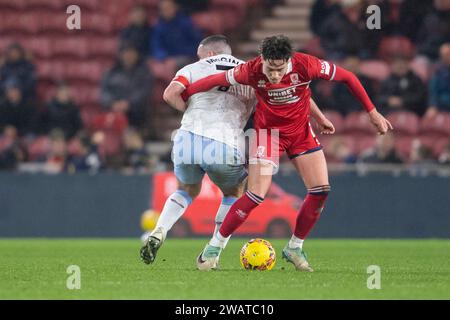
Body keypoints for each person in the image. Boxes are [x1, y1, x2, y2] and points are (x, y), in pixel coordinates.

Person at [181, 35, 392, 271]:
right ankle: (214, 247)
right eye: (269, 68)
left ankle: (294, 247)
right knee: (256, 195)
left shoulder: (307, 65)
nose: (273, 74)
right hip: (267, 134)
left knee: (321, 190)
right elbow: (213, 80)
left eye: (279, 69)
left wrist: (372, 113)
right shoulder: (250, 70)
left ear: (289, 61)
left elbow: (348, 77)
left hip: (300, 132)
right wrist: (184, 93)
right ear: (262, 59)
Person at [139, 35, 335, 266]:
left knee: (187, 190)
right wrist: (320, 117)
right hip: (223, 142)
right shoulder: (251, 71)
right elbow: (294, 94)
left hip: (187, 139)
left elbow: (170, 94)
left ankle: (158, 231)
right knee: (237, 193)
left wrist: (188, 109)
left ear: (209, 54)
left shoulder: (192, 67)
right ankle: (212, 252)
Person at [100, 44, 153, 129]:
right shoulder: (111, 72)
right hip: (113, 111)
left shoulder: (144, 72)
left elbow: (144, 92)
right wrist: (112, 103)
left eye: (131, 52)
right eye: (126, 52)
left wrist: (128, 103)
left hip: (136, 114)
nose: (129, 55)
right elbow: (104, 92)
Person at [425, 43, 450, 118]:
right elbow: (433, 91)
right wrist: (433, 105)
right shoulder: (438, 72)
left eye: (448, 54)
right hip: (442, 106)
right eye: (444, 55)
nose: (446, 57)